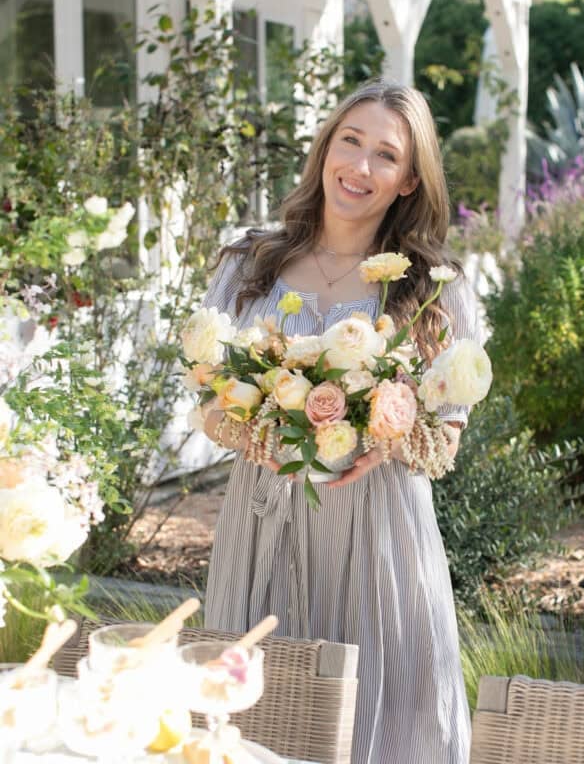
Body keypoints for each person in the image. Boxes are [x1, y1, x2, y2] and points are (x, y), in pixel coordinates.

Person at [199, 79, 480, 763]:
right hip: (263, 517)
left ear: (411, 179)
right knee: (253, 712)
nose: (360, 167)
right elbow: (207, 404)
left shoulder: (432, 286)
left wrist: (383, 445)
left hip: (379, 530)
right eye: (350, 142)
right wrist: (257, 434)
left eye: (386, 155)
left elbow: (448, 426)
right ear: (325, 147)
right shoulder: (250, 263)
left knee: (386, 718)